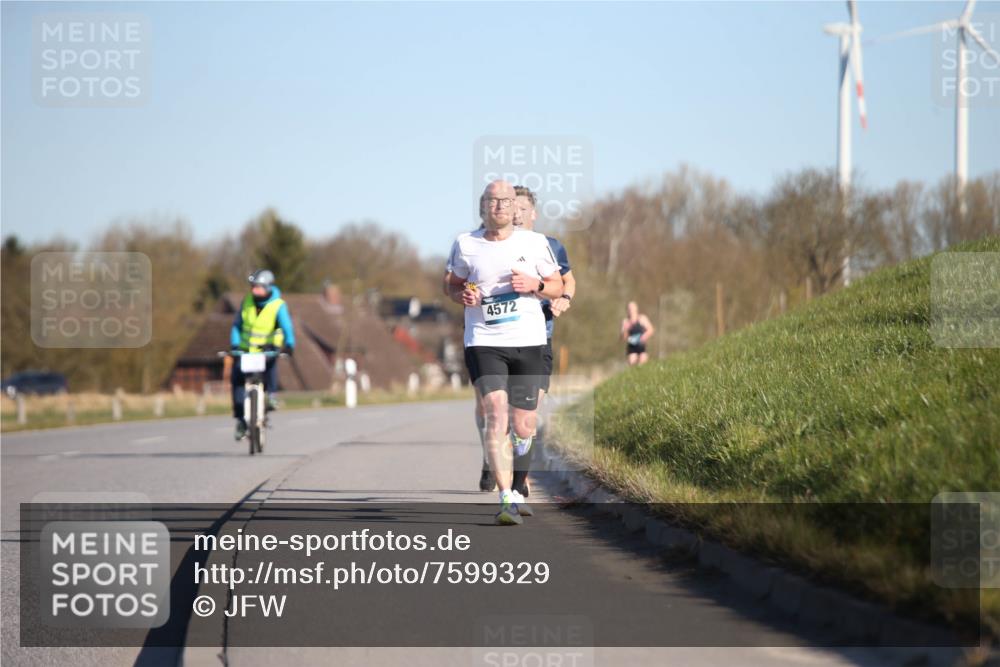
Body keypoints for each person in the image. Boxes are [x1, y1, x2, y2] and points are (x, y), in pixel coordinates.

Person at [446, 180, 561, 525]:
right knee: (496, 412)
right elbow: (451, 284)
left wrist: (536, 286)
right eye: (491, 201)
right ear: (483, 207)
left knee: (524, 424)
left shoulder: (536, 243)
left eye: (505, 201)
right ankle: (506, 497)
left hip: (528, 339)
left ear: (515, 207)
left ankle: (518, 483)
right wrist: (461, 296)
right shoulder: (466, 244)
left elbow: (555, 284)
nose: (498, 206)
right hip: (483, 340)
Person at [510, 185, 575, 498]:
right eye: (512, 208)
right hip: (503, 340)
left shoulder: (550, 245)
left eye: (523, 208)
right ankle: (501, 463)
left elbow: (568, 279)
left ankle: (519, 477)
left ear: (533, 213)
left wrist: (564, 297)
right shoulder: (495, 246)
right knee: (505, 413)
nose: (517, 214)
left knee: (529, 411)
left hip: (541, 338)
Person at [230, 269, 296, 440]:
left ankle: (272, 396)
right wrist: (235, 344)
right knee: (236, 378)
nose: (254, 290)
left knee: (270, 366)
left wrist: (289, 345)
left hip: (267, 349)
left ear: (267, 287)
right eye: (252, 287)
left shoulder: (277, 304)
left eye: (258, 287)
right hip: (245, 351)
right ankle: (240, 420)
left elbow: (287, 327)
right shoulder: (247, 302)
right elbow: (237, 326)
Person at [621, 301, 654, 366]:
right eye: (629, 308)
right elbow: (623, 338)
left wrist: (644, 336)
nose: (631, 310)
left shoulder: (642, 318)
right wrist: (625, 329)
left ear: (636, 309)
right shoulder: (625, 321)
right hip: (631, 347)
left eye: (633, 308)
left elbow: (651, 330)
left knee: (643, 364)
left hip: (641, 345)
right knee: (632, 364)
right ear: (627, 310)